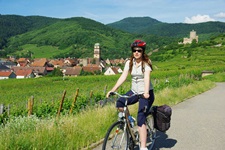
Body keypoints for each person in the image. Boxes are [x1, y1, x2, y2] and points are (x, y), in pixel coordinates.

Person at [107, 40, 154, 150]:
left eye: (139, 50)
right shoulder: (129, 62)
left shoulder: (146, 63)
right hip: (134, 91)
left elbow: (147, 77)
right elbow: (123, 77)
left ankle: (143, 147)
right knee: (120, 102)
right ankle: (129, 122)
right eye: (134, 50)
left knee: (141, 118)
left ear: (143, 52)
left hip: (146, 93)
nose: (136, 52)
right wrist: (113, 89)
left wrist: (146, 92)